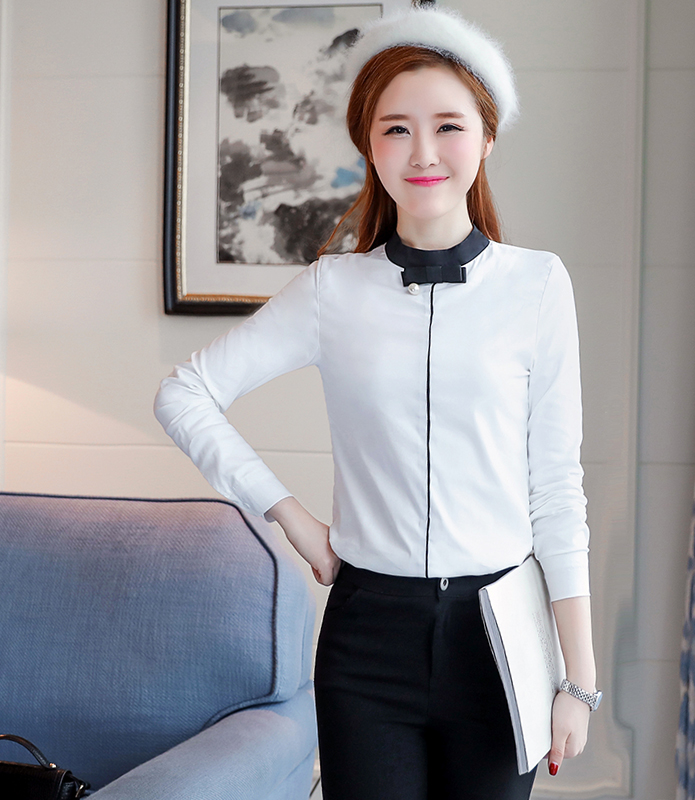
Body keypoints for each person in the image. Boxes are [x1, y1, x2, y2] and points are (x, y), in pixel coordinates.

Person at [154, 6, 600, 799]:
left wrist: (579, 679)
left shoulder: (537, 285)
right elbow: (184, 392)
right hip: (367, 640)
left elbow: (557, 490)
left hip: (500, 633)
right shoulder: (333, 289)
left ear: (486, 138)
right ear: (368, 143)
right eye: (396, 129)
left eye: (448, 126)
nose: (422, 152)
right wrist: (292, 519)